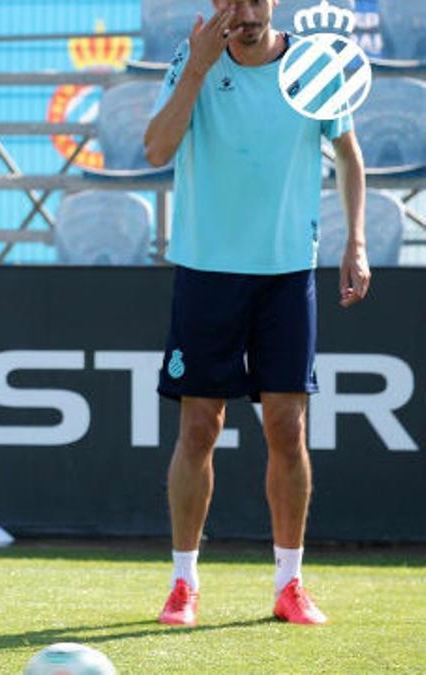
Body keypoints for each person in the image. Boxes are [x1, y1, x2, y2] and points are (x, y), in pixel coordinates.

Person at [144, 0, 370, 626]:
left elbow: (349, 155)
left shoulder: (312, 67)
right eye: (230, 0)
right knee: (198, 431)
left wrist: (355, 242)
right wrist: (195, 70)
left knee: (287, 429)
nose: (244, 11)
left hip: (287, 274)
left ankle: (289, 584)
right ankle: (184, 583)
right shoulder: (190, 62)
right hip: (206, 273)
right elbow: (156, 149)